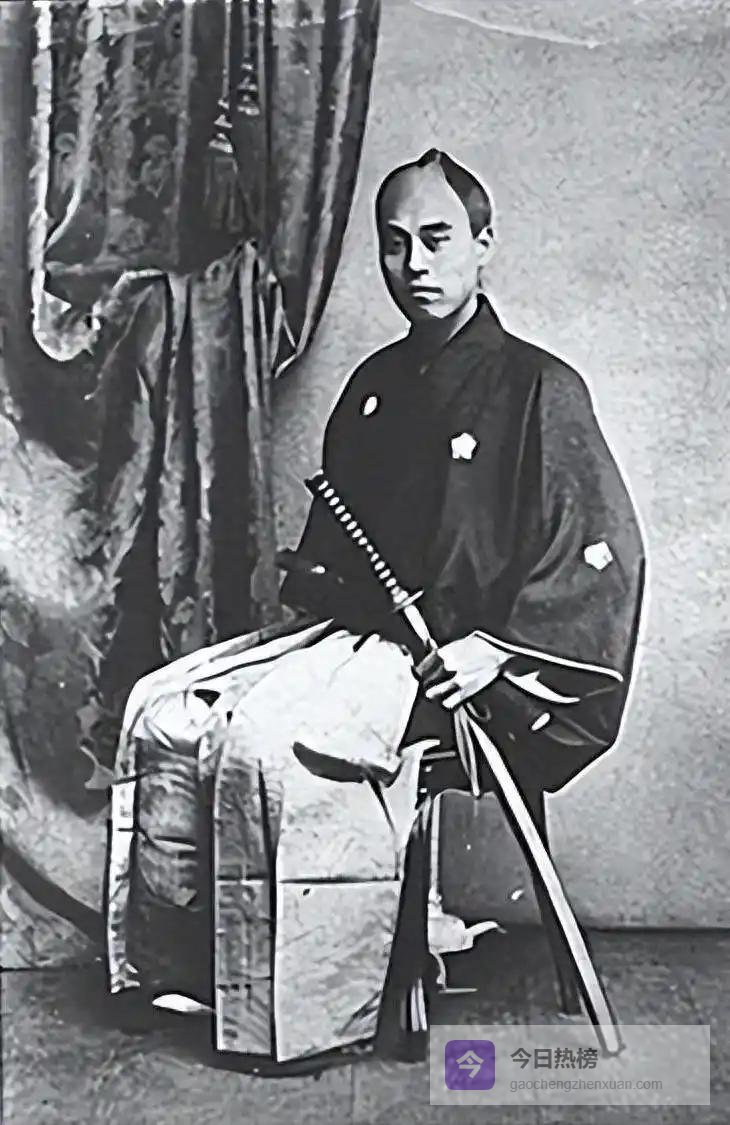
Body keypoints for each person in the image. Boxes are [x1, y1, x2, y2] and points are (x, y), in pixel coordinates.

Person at [105, 149, 645, 1070]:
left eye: (438, 239)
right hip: (360, 641)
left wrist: (500, 649)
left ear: (484, 244)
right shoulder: (372, 388)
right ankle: (198, 971)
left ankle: (306, 1004)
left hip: (466, 667)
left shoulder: (540, 388)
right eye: (395, 245)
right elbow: (330, 561)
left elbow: (601, 553)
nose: (416, 264)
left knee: (271, 745)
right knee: (165, 711)